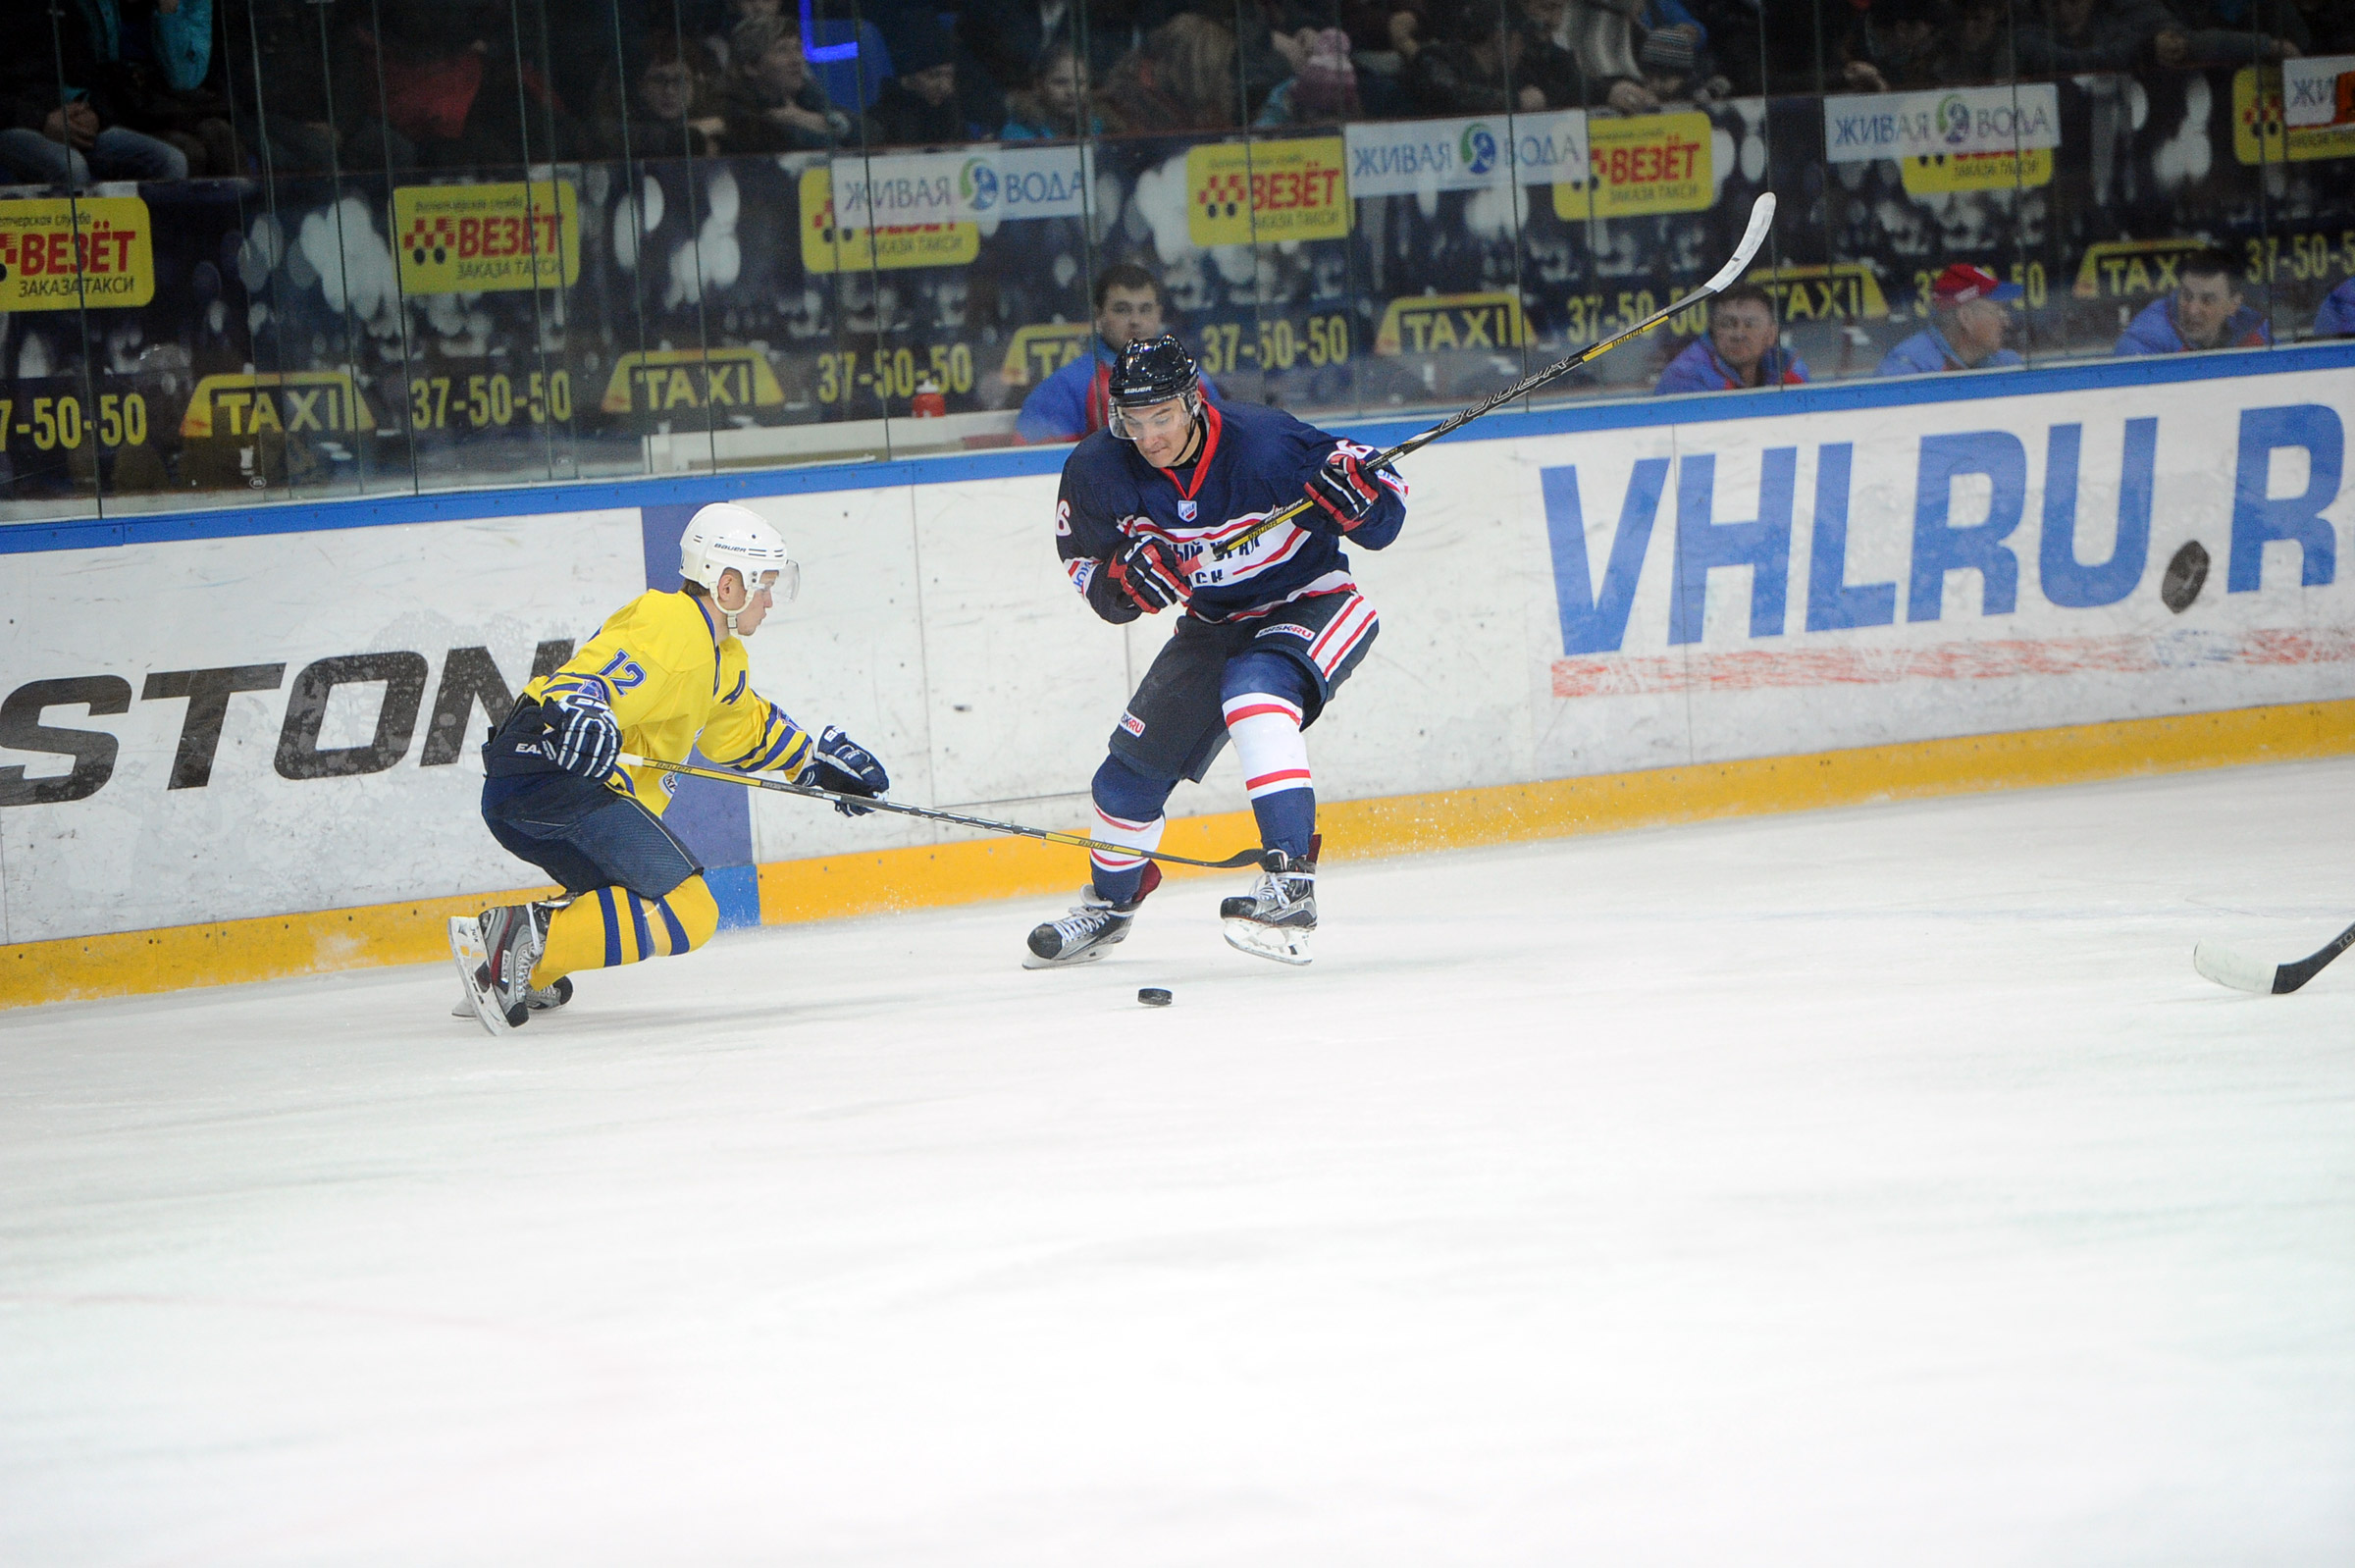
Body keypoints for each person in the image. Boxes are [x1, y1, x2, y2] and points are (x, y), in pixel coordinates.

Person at [1022, 336, 1407, 970]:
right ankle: (1111, 905)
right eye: (1133, 421)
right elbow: (1085, 564)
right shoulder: (1099, 470)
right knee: (1122, 784)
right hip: (1214, 621)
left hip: (1313, 600)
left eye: (1163, 418)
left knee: (1255, 692)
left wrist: (1360, 503)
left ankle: (1289, 885)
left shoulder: (1266, 444)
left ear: (1194, 402)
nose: (1149, 437)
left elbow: (1383, 512)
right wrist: (1122, 584)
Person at [448, 505, 890, 1035]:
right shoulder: (672, 623)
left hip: (543, 789)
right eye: (764, 585)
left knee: (625, 898)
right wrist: (580, 710)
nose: (771, 601)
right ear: (727, 586)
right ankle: (513, 946)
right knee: (689, 910)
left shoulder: (721, 656)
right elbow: (591, 677)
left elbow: (741, 728)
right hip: (550, 777)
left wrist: (814, 764)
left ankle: (508, 967)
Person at [1017, 263, 1224, 444]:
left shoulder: (1194, 380)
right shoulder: (1064, 388)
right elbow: (1035, 466)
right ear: (1099, 315)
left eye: (1145, 309)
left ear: (1159, 313)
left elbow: (1221, 447)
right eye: (1122, 310)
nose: (1135, 320)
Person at [0, 0, 190, 185]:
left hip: (68, 119)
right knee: (71, 166)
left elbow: (89, 75)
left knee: (170, 160)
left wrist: (92, 113)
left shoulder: (64, 7)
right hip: (14, 124)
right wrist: (41, 121)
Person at [719, 14, 850, 152]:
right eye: (782, 50)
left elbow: (871, 132)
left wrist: (803, 118)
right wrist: (827, 127)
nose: (796, 60)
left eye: (798, 49)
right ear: (751, 67)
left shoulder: (809, 95)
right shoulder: (732, 104)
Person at [2114, 248, 2273, 355]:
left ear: (2233, 305)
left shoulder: (2256, 329)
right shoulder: (2149, 335)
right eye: (2187, 296)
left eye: (2207, 300)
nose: (2193, 310)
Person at [1653, 285, 1809, 393]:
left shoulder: (1789, 367)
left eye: (1750, 325)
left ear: (1770, 335)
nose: (1738, 334)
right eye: (1727, 324)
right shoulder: (1686, 376)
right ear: (1713, 330)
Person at [1876, 264, 2026, 376]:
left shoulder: (2007, 361)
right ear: (1966, 318)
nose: (2007, 322)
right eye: (1998, 311)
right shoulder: (1906, 369)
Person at [1001, 45, 1100, 139]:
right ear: (1038, 86)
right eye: (1060, 82)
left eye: (1080, 83)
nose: (1072, 91)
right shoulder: (1018, 132)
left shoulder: (1096, 128)